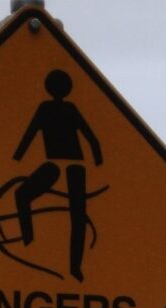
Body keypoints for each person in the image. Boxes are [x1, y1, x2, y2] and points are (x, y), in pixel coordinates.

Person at [13, 69, 103, 281]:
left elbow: (29, 135)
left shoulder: (46, 109)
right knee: (77, 217)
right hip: (74, 167)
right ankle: (73, 266)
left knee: (22, 196)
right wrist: (98, 162)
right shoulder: (69, 108)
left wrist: (16, 160)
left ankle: (28, 241)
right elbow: (92, 140)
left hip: (56, 166)